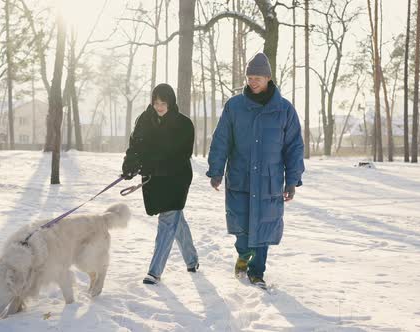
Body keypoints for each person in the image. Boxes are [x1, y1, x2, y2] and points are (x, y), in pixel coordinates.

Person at [206, 53, 305, 289]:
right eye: (250, 77)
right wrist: (216, 170)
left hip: (269, 181)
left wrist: (292, 181)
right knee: (242, 227)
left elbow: (294, 147)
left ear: (269, 78)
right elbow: (221, 140)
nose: (253, 82)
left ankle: (257, 272)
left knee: (264, 228)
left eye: (258, 78)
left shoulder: (284, 109)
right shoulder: (235, 106)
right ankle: (243, 255)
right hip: (241, 177)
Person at [121, 83, 199, 285]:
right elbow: (135, 146)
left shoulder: (184, 124)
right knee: (175, 219)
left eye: (163, 103)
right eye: (156, 103)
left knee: (168, 219)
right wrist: (130, 165)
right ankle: (192, 260)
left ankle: (154, 271)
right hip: (153, 179)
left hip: (176, 178)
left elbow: (182, 155)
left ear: (171, 102)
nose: (159, 107)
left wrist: (154, 167)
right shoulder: (144, 120)